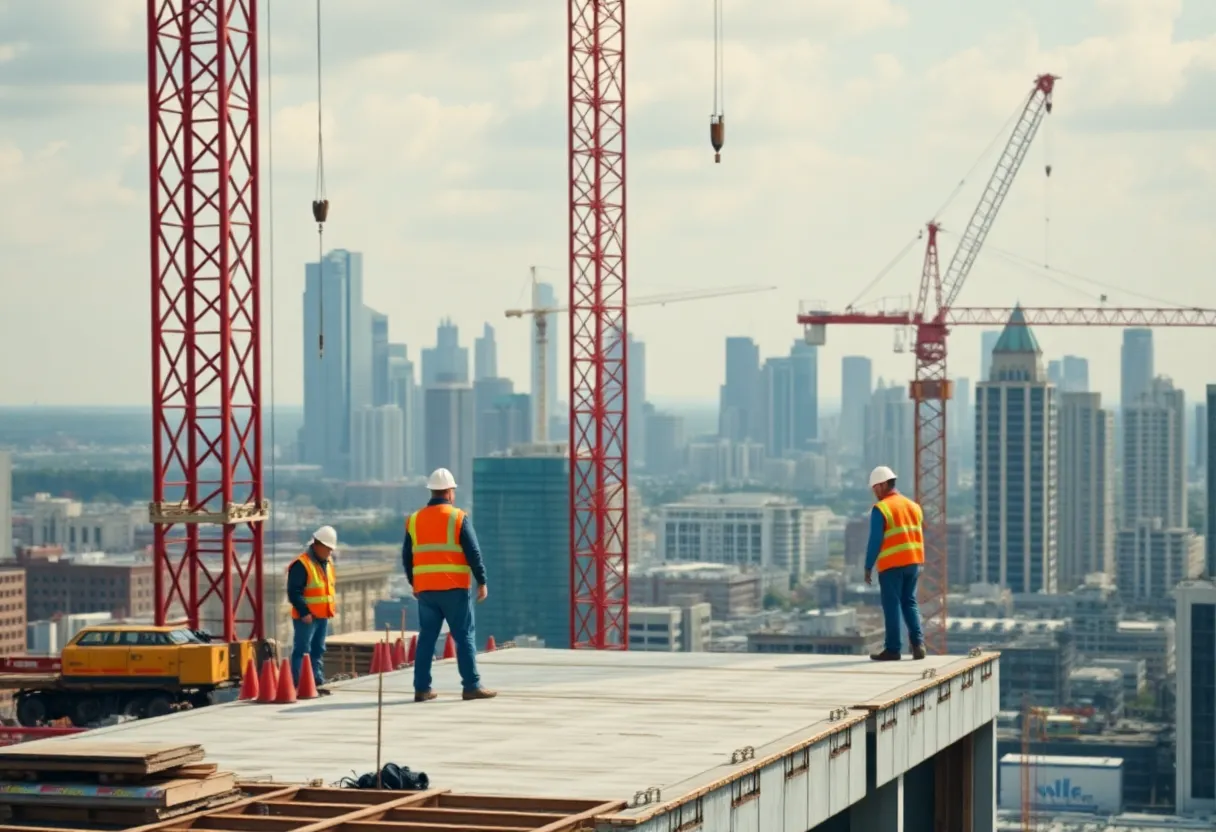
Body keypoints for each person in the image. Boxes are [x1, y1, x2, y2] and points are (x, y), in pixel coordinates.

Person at [403, 468, 496, 702]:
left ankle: (422, 689)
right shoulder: (458, 517)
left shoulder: (414, 519)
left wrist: (415, 583)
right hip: (454, 588)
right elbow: (473, 552)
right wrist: (482, 581)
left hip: (426, 590)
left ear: (432, 491)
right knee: (464, 636)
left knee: (427, 638)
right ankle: (471, 686)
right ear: (450, 492)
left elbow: (407, 556)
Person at [863, 466, 926, 661]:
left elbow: (875, 540)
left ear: (882, 485)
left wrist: (868, 566)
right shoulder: (914, 506)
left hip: (892, 564)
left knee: (892, 605)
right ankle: (918, 645)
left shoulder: (881, 509)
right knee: (909, 602)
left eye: (875, 488)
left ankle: (893, 649)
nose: (874, 493)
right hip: (913, 562)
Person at [287, 525, 338, 693]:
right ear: (317, 545)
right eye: (328, 549)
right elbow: (294, 592)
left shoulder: (327, 563)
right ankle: (299, 683)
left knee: (318, 649)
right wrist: (304, 612)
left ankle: (316, 682)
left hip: (322, 615)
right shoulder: (301, 564)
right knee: (302, 650)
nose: (330, 552)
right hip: (307, 618)